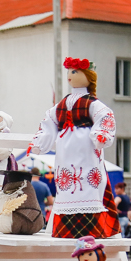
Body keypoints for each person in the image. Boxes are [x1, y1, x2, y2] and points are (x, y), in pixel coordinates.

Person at [32, 57, 120, 238]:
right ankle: (66, 227)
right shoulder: (63, 103)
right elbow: (49, 121)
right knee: (66, 187)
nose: (70, 75)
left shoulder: (92, 103)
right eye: (69, 72)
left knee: (88, 182)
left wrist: (100, 134)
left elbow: (105, 117)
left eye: (74, 72)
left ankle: (91, 227)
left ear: (87, 76)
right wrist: (40, 142)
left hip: (86, 147)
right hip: (65, 150)